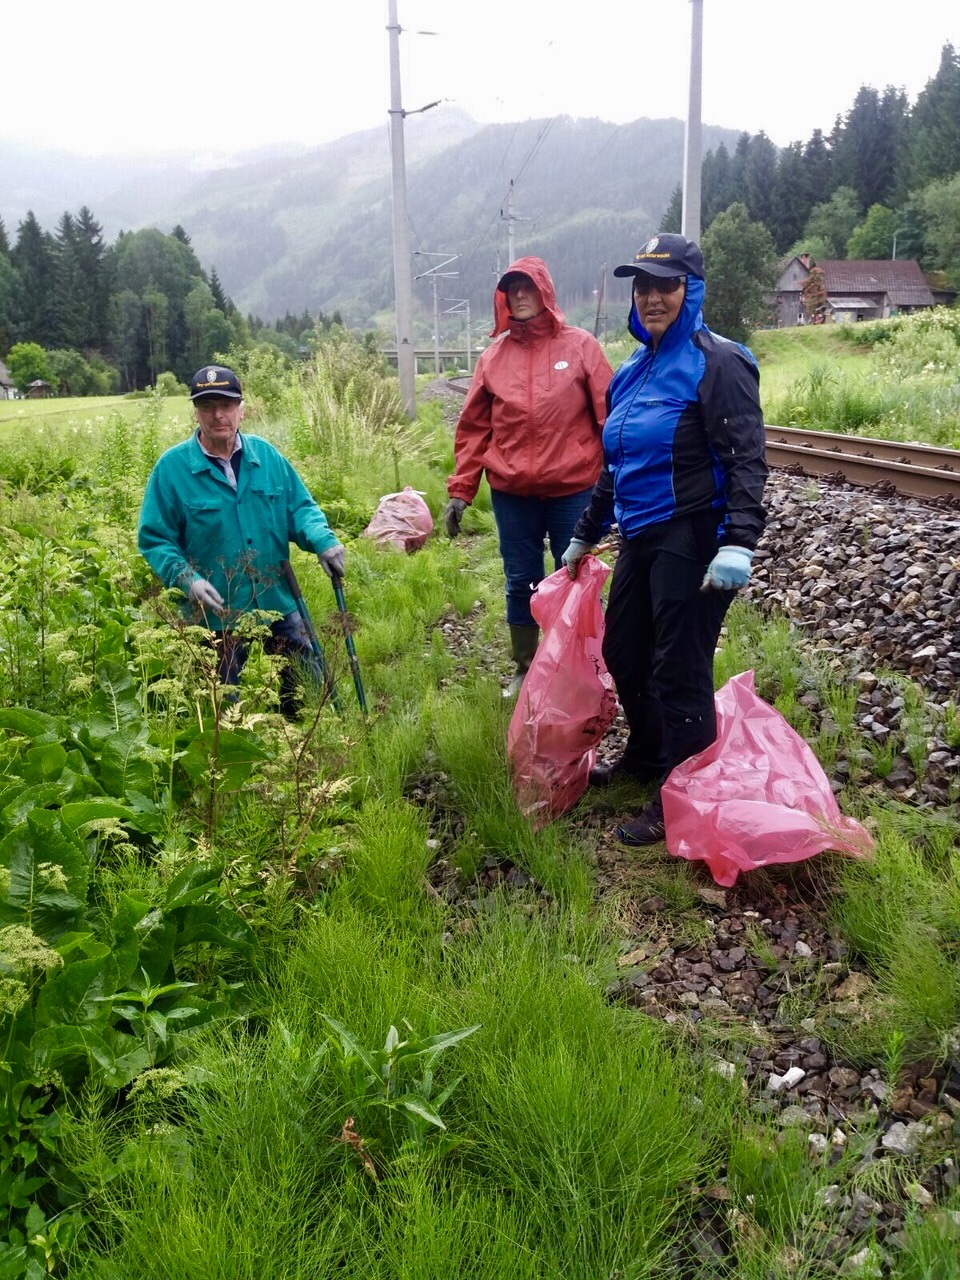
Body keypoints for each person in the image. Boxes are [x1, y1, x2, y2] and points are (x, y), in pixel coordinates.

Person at [562, 233, 767, 845]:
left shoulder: (719, 360)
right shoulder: (630, 371)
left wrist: (739, 541)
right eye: (644, 286)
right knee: (626, 653)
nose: (653, 297)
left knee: (678, 667)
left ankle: (686, 794)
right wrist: (582, 535)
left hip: (695, 532)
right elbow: (615, 465)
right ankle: (651, 756)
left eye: (667, 285)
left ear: (691, 289)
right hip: (641, 533)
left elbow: (747, 458)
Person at [444, 256, 612, 696]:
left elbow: (609, 419)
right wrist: (461, 490)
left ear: (545, 292)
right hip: (513, 492)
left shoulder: (581, 347)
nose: (519, 295)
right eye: (511, 289)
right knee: (521, 580)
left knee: (573, 575)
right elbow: (475, 429)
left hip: (574, 489)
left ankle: (578, 666)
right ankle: (526, 665)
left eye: (527, 287)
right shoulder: (493, 359)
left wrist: (621, 487)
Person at [138, 364, 345, 715]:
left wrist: (322, 540)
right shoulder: (172, 469)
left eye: (227, 405)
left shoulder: (267, 458)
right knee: (221, 704)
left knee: (306, 683)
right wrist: (187, 580)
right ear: (196, 412)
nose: (218, 415)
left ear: (241, 409)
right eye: (207, 406)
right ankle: (234, 758)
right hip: (214, 609)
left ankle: (299, 739)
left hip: (275, 595)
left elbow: (299, 509)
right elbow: (156, 539)